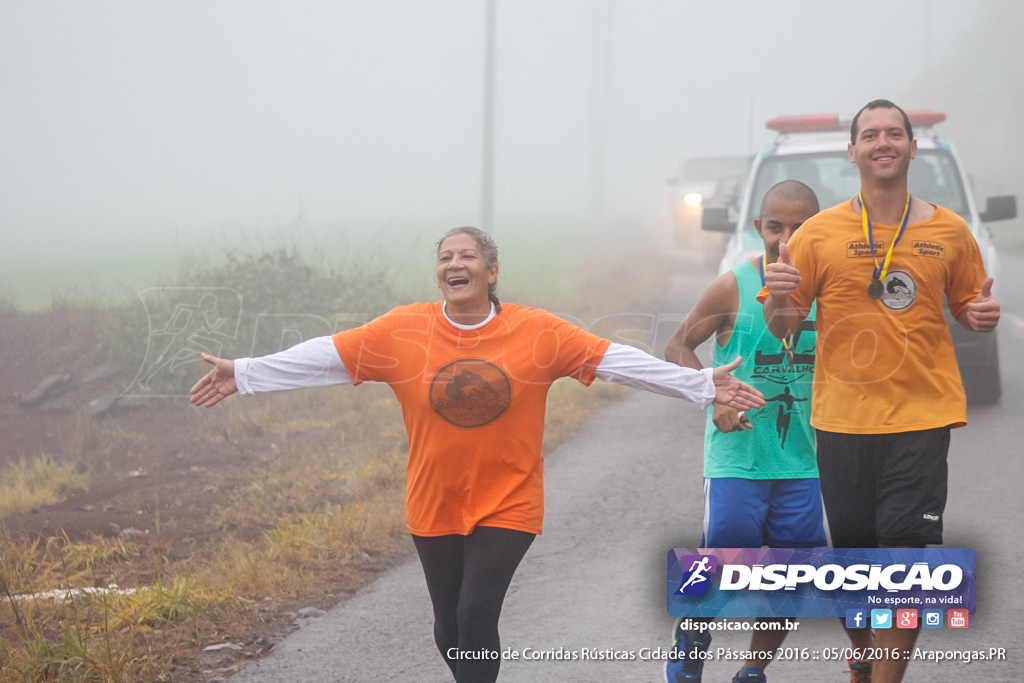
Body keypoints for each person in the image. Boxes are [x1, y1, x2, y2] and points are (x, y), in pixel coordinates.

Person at [190, 226, 766, 683]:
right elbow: (324, 357)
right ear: (439, 273)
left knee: (473, 616)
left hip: (508, 501)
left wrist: (700, 384)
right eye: (445, 257)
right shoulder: (402, 331)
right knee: (448, 627)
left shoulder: (537, 332)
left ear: (491, 272)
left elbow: (616, 359)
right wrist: (245, 373)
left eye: (467, 256)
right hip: (433, 501)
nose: (454, 264)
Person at [761, 100, 1001, 683]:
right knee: (854, 561)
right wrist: (785, 294)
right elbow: (786, 331)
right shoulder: (818, 234)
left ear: (913, 148)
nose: (883, 142)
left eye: (895, 133)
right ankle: (865, 656)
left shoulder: (950, 230)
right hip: (843, 418)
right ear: (853, 153)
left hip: (922, 415)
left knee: (904, 558)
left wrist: (981, 314)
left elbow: (969, 304)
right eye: (870, 135)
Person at [662, 181, 824, 683]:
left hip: (806, 463)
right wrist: (713, 395)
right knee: (724, 560)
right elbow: (678, 346)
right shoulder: (732, 286)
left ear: (820, 232)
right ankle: (693, 634)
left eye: (800, 229)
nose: (785, 239)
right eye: (775, 227)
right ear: (759, 228)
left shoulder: (833, 290)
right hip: (737, 458)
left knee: (789, 577)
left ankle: (753, 668)